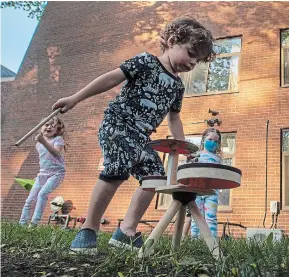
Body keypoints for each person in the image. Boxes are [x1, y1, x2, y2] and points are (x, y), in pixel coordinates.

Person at [52, 17, 215, 254]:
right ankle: (89, 228)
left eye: (197, 61)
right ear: (172, 41)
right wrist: (75, 98)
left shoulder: (178, 87)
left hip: (141, 137)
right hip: (118, 124)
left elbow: (174, 119)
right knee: (116, 170)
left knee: (155, 178)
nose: (192, 63)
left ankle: (126, 231)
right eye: (191, 53)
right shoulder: (145, 61)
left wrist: (181, 148)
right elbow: (111, 78)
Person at [19, 117, 66, 228]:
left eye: (52, 126)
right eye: (46, 124)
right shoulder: (38, 144)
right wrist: (39, 175)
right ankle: (22, 223)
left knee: (42, 194)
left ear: (57, 130)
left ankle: (34, 223)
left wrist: (43, 141)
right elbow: (43, 160)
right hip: (43, 173)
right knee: (30, 199)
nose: (49, 127)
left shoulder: (58, 139)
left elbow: (56, 154)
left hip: (56, 173)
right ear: (40, 128)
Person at [190, 128, 223, 238]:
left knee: (211, 218)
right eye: (210, 139)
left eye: (216, 141)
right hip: (197, 192)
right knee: (196, 218)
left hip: (212, 192)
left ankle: (212, 244)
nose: (212, 142)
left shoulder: (218, 159)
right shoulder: (197, 156)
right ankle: (194, 243)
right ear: (203, 139)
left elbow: (219, 175)